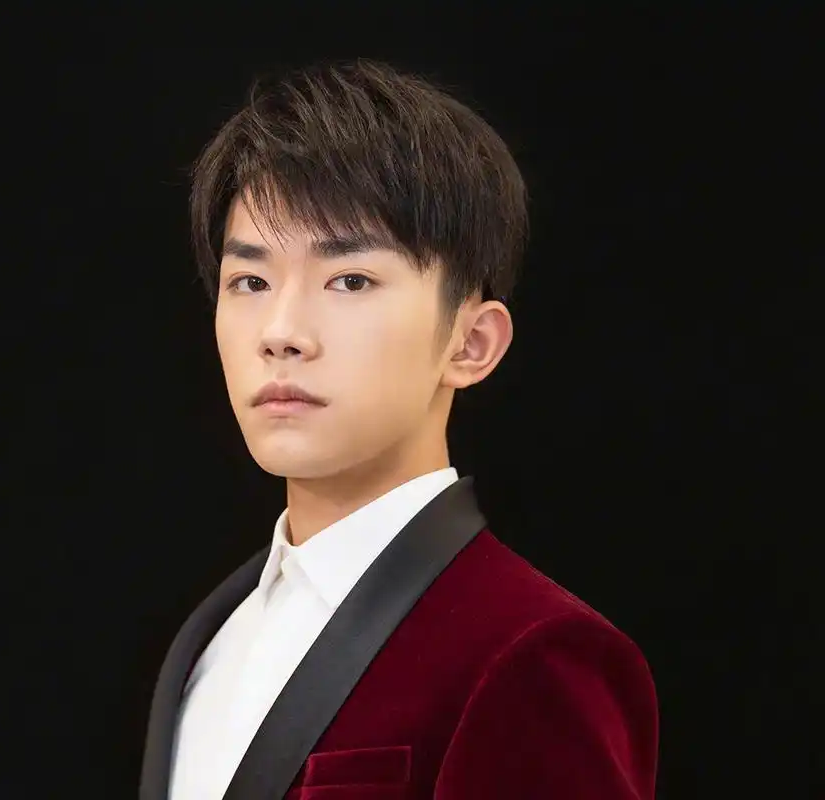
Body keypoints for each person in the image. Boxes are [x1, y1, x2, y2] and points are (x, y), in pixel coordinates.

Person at [139, 59, 659, 800]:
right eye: (250, 281)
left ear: (471, 343)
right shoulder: (214, 634)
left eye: (350, 280)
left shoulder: (531, 650)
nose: (281, 332)